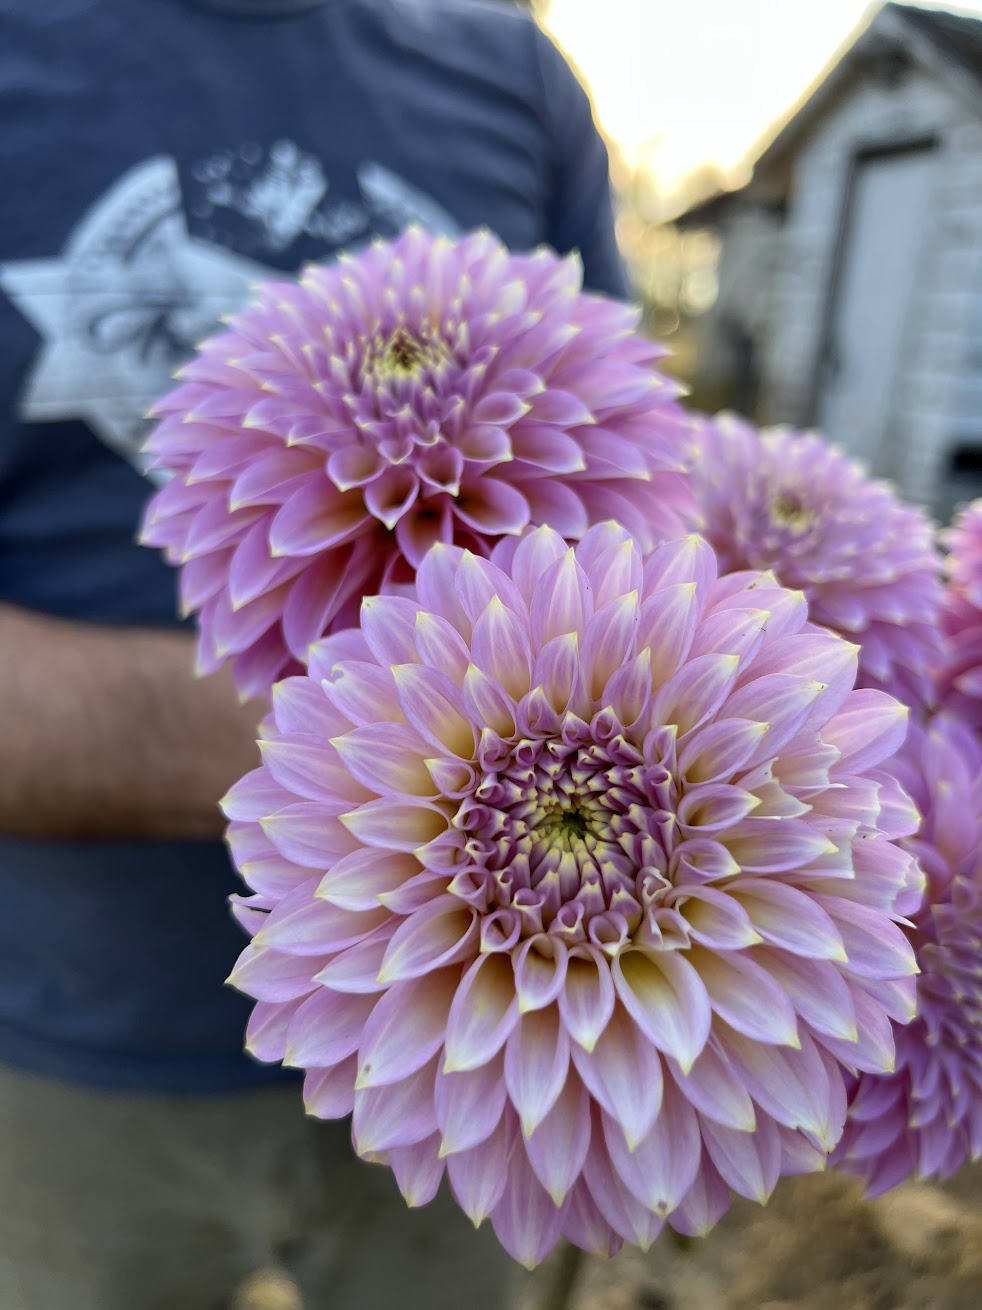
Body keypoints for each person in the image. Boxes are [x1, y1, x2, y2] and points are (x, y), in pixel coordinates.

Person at [0, 0, 627, 1305]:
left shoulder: (509, 72)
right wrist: (389, 757)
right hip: (69, 1055)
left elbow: (631, 495)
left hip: (499, 1047)